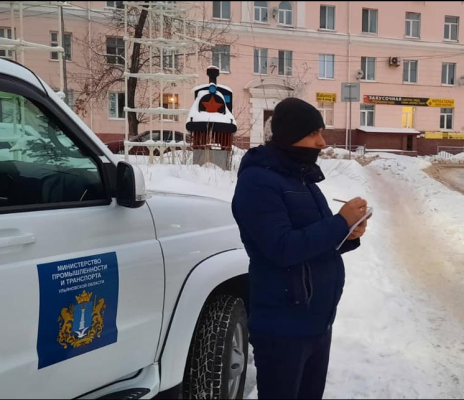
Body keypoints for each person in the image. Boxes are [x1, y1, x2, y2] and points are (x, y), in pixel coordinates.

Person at [232, 98, 370, 400]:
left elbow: (313, 241)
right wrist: (339, 223)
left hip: (316, 322)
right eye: (313, 133)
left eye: (321, 132)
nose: (322, 142)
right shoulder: (257, 182)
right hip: (283, 327)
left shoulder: (301, 178)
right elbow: (281, 248)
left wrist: (347, 234)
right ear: (290, 135)